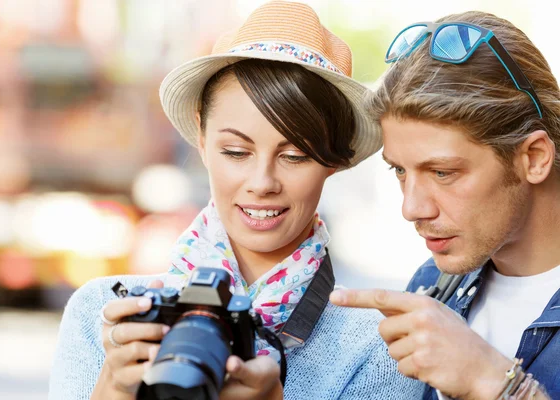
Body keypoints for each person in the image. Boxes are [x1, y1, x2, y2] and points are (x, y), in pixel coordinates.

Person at [48, 2, 424, 399]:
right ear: (202, 139)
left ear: (335, 159)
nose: (262, 183)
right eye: (236, 152)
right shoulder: (104, 315)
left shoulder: (381, 348)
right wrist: (116, 389)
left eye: (294, 156)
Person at [331, 10, 560, 400]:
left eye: (442, 172)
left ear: (535, 157)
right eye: (400, 171)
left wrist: (495, 383)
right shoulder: (430, 288)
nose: (412, 208)